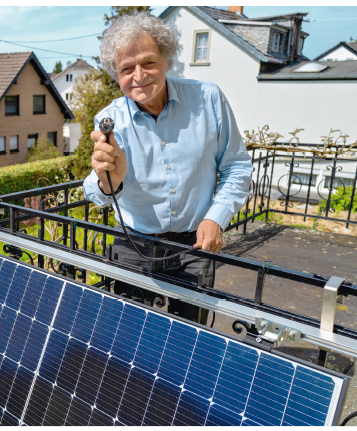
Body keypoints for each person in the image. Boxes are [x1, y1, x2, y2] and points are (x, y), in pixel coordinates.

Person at [83, 12, 253, 324]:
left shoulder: (208, 99)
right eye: (126, 69)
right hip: (134, 244)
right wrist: (109, 183)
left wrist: (216, 218)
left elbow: (237, 167)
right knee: (129, 337)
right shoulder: (109, 119)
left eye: (148, 62)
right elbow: (94, 189)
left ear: (166, 59)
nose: (139, 75)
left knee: (191, 337)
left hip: (193, 246)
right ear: (115, 75)